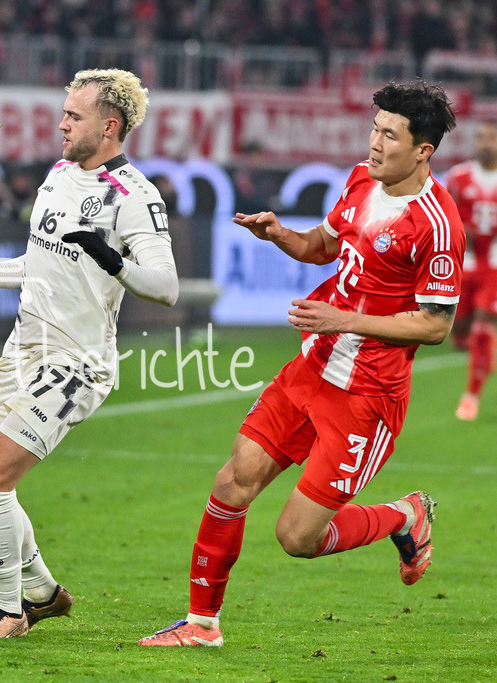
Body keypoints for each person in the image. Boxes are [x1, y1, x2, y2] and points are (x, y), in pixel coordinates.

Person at [139, 80, 463, 648]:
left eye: (390, 134)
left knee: (297, 538)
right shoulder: (362, 181)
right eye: (374, 128)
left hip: (367, 399)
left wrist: (347, 322)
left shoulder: (436, 225)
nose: (375, 142)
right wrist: (280, 235)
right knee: (232, 481)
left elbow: (437, 326)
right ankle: (201, 625)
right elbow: (325, 244)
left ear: (422, 151)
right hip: (311, 370)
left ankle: (404, 514)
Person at [0, 68, 180, 637]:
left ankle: (9, 611)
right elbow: (45, 263)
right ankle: (42, 591)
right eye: (64, 113)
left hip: (76, 363)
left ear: (109, 127)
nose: (61, 124)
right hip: (24, 347)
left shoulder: (132, 196)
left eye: (74, 116)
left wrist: (113, 261)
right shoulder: (58, 175)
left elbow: (166, 285)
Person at [448, 121, 497, 420]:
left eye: (492, 138)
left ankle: (471, 396)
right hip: (463, 266)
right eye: (481, 137)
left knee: (483, 324)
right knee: (459, 333)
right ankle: (482, 354)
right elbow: (444, 216)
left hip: (494, 265)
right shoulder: (458, 177)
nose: (486, 143)